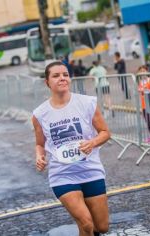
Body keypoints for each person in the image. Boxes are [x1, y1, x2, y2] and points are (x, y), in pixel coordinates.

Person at [32, 61, 110, 236]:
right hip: (62, 174)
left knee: (101, 227)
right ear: (47, 82)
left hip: (90, 170)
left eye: (65, 75)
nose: (62, 78)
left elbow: (105, 132)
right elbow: (39, 143)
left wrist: (92, 143)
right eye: (56, 75)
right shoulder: (39, 114)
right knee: (86, 223)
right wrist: (39, 156)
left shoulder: (87, 103)